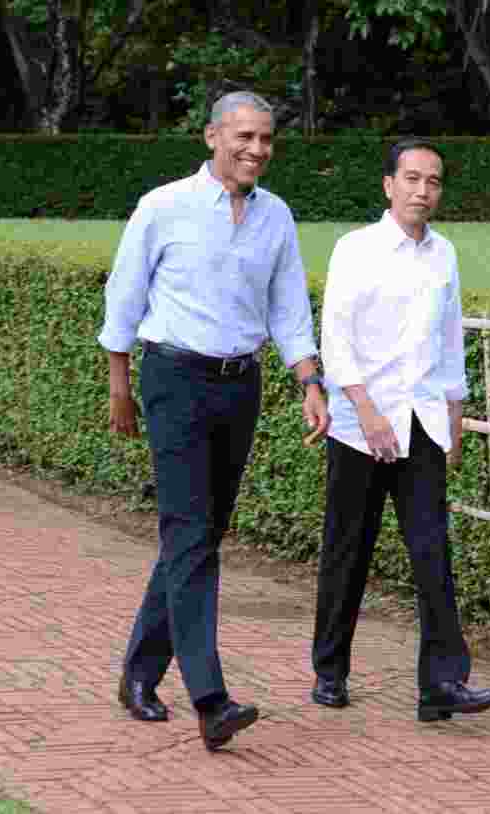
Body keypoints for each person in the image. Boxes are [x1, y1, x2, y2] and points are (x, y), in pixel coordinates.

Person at [98, 90, 329, 751]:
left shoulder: (275, 217)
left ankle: (140, 673)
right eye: (245, 137)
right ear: (211, 137)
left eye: (267, 139)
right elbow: (124, 299)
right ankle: (210, 699)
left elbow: (288, 310)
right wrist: (121, 388)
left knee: (195, 537)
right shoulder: (163, 207)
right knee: (191, 535)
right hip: (173, 380)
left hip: (240, 386)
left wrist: (310, 381)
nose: (257, 149)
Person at [311, 138, 490, 722]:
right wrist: (366, 412)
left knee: (431, 550)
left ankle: (441, 684)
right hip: (359, 426)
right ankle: (330, 671)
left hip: (421, 423)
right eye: (413, 178)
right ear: (389, 184)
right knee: (349, 549)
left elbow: (450, 343)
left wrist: (456, 418)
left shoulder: (444, 254)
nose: (423, 190)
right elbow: (336, 340)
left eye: (434, 181)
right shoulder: (356, 250)